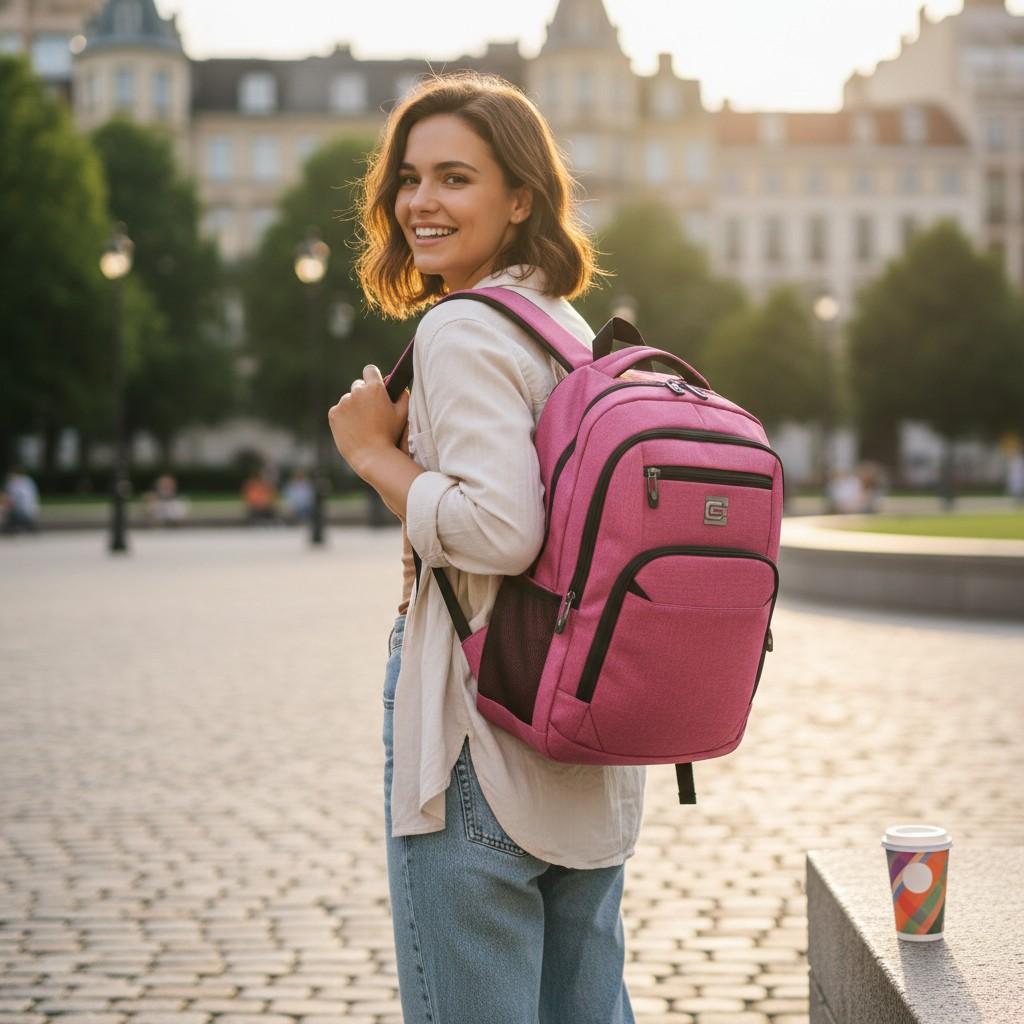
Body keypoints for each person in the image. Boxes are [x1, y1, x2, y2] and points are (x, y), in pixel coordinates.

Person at [328, 72, 643, 1023]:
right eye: (409, 178)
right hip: (579, 731)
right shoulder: (565, 328)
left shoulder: (463, 329)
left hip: (476, 727)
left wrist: (372, 454)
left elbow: (502, 531)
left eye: (455, 178)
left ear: (520, 199)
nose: (420, 202)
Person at [2, 466, 40, 534]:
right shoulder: (29, 481)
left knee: (7, 510)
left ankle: (9, 528)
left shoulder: (16, 484)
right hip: (32, 511)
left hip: (23, 513)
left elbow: (10, 501)